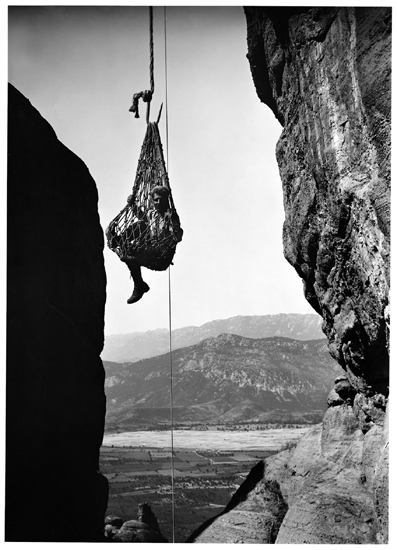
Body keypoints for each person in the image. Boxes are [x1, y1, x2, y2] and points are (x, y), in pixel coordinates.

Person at [121, 185, 183, 304]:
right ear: (152, 200)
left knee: (130, 258)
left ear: (166, 200)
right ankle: (139, 285)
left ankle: (139, 286)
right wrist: (132, 205)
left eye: (161, 200)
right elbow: (142, 216)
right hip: (150, 248)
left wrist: (173, 224)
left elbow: (178, 237)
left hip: (162, 256)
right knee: (140, 226)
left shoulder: (171, 216)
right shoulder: (152, 213)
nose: (158, 202)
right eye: (156, 200)